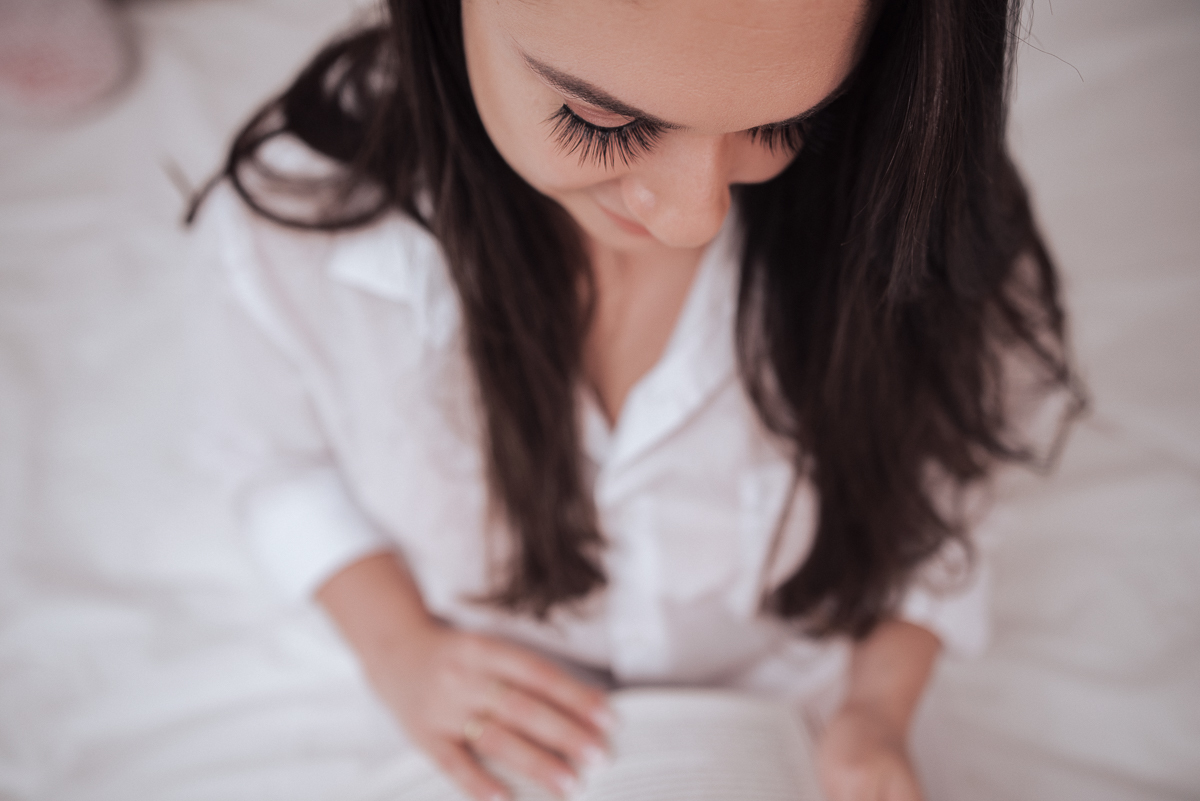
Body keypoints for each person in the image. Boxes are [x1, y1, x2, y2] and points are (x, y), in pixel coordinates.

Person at [190, 0, 1080, 799]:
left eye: (783, 122)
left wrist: (878, 711)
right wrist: (398, 651)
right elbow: (278, 462)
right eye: (604, 122)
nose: (693, 215)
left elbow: (947, 484)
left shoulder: (910, 218)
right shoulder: (297, 231)